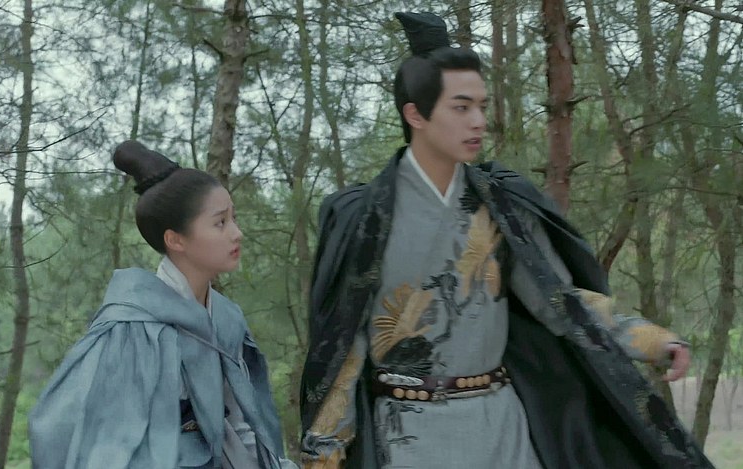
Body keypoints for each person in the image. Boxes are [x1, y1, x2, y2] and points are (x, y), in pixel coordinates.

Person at [298, 11, 712, 469]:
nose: (479, 121)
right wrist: (326, 448)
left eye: (482, 106)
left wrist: (651, 341)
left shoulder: (501, 205)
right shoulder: (363, 218)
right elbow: (343, 347)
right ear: (415, 114)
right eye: (461, 108)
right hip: (408, 435)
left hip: (502, 429)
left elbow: (559, 304)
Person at [29, 141, 296, 468]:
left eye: (234, 219)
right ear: (175, 239)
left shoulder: (226, 319)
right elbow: (108, 447)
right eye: (220, 223)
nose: (237, 233)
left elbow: (239, 429)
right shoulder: (132, 328)